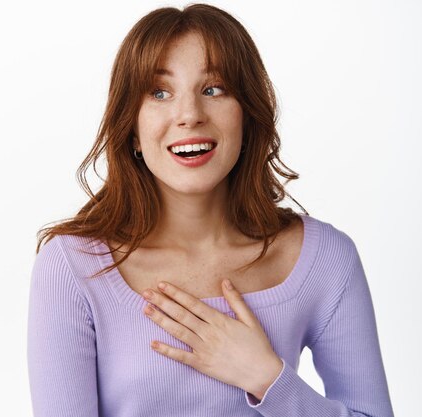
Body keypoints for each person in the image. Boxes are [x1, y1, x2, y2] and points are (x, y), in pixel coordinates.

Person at [27, 3, 394, 416]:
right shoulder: (73, 266)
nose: (189, 116)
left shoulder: (325, 257)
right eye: (160, 92)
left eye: (214, 89)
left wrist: (267, 378)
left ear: (247, 116)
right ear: (131, 127)